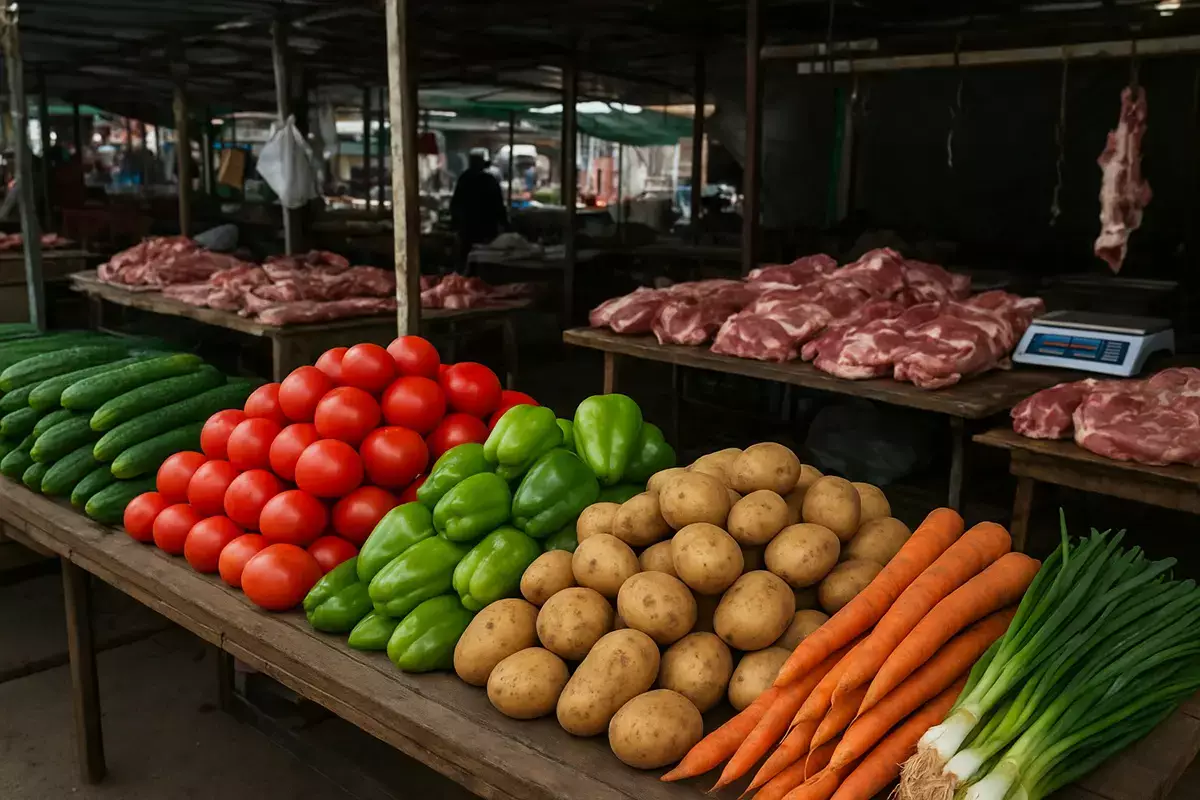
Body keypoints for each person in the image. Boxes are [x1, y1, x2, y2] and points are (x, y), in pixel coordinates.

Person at [450, 152, 507, 267]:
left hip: (467, 226)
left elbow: (455, 203)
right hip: (487, 227)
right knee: (487, 259)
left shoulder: (464, 178)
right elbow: (499, 205)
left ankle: (465, 279)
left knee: (467, 258)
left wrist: (455, 222)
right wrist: (504, 223)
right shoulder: (489, 180)